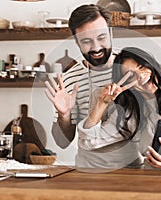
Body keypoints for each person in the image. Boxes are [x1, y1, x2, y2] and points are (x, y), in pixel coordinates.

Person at [76, 47, 161, 172]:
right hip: (152, 178)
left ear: (152, 66)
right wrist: (101, 103)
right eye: (130, 75)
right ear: (127, 86)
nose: (140, 75)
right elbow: (89, 142)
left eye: (142, 67)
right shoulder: (131, 111)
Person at [45, 4, 116, 148]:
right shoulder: (69, 80)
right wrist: (64, 115)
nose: (96, 48)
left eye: (101, 37)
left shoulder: (132, 70)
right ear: (77, 42)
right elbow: (62, 142)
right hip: (88, 166)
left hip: (132, 166)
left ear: (111, 34)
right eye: (86, 41)